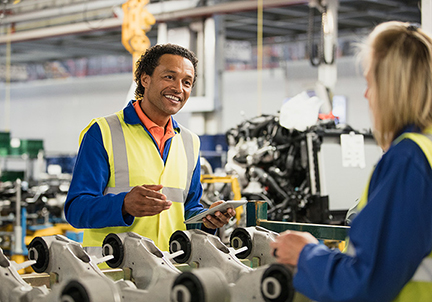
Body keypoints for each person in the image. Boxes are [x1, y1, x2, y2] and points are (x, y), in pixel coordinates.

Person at [271, 21, 432, 301]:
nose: (367, 95)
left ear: (393, 87)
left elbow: (365, 284)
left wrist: (306, 253)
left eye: (370, 82)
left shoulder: (409, 158)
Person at [65, 43, 235, 253]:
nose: (178, 88)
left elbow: (188, 210)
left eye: (187, 82)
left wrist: (207, 220)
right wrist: (124, 205)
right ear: (145, 79)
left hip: (169, 267)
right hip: (113, 271)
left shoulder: (190, 142)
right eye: (169, 77)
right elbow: (76, 210)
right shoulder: (103, 131)